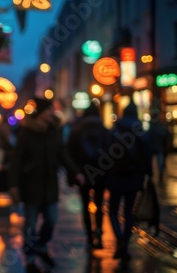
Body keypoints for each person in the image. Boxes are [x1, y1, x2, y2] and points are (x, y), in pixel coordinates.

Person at [8, 97, 84, 271]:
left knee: (52, 219)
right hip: (31, 186)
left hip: (50, 185)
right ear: (41, 113)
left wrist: (76, 172)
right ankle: (31, 257)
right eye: (49, 110)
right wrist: (13, 185)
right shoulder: (27, 133)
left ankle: (42, 246)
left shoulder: (54, 132)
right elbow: (16, 161)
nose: (52, 113)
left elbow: (63, 154)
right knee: (30, 225)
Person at [105, 101, 152, 260]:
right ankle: (125, 241)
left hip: (115, 177)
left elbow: (106, 154)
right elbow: (147, 155)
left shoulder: (114, 130)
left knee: (112, 210)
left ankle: (119, 239)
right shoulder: (141, 131)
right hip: (134, 177)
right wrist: (148, 174)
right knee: (129, 212)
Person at [67, 102, 109, 251]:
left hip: (83, 175)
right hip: (101, 173)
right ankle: (98, 230)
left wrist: (74, 176)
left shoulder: (76, 131)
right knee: (100, 204)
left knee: (85, 206)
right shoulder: (105, 131)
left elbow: (69, 154)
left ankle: (89, 238)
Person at [148, 109, 170, 183]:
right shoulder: (160, 127)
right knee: (159, 161)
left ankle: (152, 175)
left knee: (152, 161)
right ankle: (160, 172)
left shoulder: (151, 127)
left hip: (153, 147)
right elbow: (165, 136)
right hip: (159, 147)